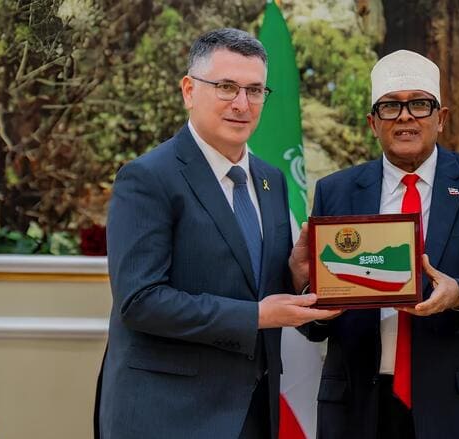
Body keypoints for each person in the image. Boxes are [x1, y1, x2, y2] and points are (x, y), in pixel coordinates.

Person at [97, 28, 337, 439]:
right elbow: (139, 301)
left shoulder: (271, 180)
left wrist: (298, 278)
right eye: (226, 87)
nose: (242, 104)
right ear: (189, 90)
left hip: (254, 412)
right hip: (169, 416)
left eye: (255, 90)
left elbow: (260, 286)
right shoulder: (147, 178)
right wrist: (257, 316)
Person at [302, 50, 459, 438]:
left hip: (455, 408)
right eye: (390, 106)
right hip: (357, 406)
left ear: (440, 118)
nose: (405, 116)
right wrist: (312, 295)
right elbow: (314, 322)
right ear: (373, 123)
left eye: (419, 104)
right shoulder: (336, 191)